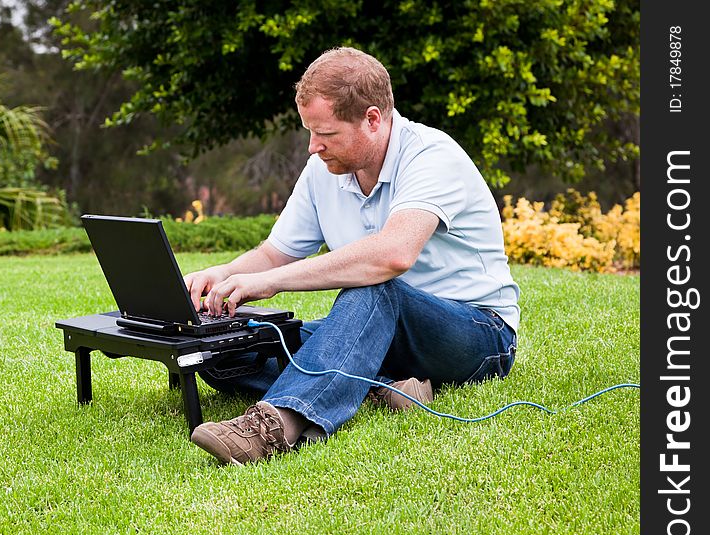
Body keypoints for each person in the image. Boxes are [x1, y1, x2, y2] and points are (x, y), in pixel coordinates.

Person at [183, 47, 519, 466]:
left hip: (476, 331)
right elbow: (275, 253)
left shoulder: (433, 157)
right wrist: (223, 275)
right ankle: (386, 387)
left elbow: (392, 256)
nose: (313, 147)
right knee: (227, 348)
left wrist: (272, 282)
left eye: (326, 133)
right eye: (309, 131)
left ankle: (271, 428)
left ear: (372, 119)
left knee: (375, 289)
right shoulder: (325, 167)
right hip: (378, 333)